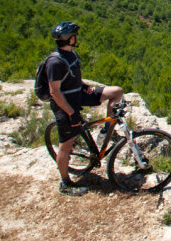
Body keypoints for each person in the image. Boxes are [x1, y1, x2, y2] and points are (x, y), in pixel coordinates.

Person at [46, 20, 123, 196]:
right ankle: (65, 183)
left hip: (79, 94)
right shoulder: (54, 62)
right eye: (75, 35)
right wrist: (71, 113)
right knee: (66, 147)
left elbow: (72, 76)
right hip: (65, 105)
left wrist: (84, 85)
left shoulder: (71, 55)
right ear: (70, 39)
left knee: (116, 92)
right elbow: (55, 92)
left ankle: (105, 132)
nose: (77, 37)